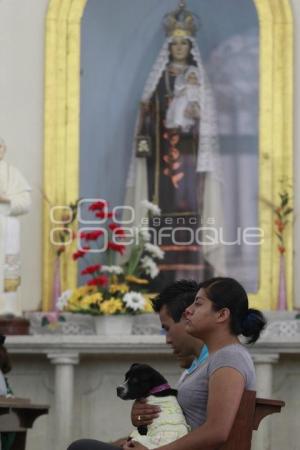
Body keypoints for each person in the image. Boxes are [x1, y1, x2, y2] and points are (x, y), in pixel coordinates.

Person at [125, 1, 225, 288]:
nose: (179, 48)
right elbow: (149, 109)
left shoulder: (198, 80)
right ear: (169, 47)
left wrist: (197, 114)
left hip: (189, 151)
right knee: (163, 201)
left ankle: (193, 259)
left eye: (184, 43)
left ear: (189, 47)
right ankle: (154, 259)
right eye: (175, 43)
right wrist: (150, 110)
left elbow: (209, 122)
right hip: (162, 151)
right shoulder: (159, 79)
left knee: (189, 199)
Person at [122, 277, 266, 450]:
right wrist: (140, 417)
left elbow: (217, 431)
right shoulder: (212, 359)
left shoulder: (230, 357)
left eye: (197, 303)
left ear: (221, 314)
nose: (188, 311)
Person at [66, 279, 208, 450]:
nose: (167, 339)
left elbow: (216, 431)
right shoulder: (195, 367)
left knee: (80, 448)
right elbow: (173, 423)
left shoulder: (218, 362)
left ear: (188, 318)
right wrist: (140, 421)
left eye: (167, 328)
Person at [0, 137, 31, 316]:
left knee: (9, 267)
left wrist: (5, 199)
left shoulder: (13, 173)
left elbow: (26, 203)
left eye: (1, 147)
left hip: (7, 224)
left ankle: (7, 307)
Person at [165, 67, 201, 132]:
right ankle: (177, 121)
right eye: (190, 77)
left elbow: (197, 97)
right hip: (183, 101)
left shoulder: (197, 88)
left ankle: (186, 126)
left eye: (195, 78)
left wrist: (195, 103)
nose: (192, 79)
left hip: (192, 104)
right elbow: (178, 93)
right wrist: (182, 92)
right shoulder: (184, 86)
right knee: (180, 106)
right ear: (187, 78)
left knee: (191, 114)